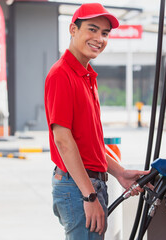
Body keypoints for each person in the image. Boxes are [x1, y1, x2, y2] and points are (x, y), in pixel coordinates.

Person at [44, 3, 149, 240]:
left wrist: (120, 173)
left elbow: (88, 143)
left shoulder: (87, 76)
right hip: (79, 187)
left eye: (104, 33)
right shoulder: (62, 74)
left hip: (87, 184)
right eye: (92, 29)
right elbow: (63, 140)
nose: (99, 39)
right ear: (73, 29)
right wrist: (89, 196)